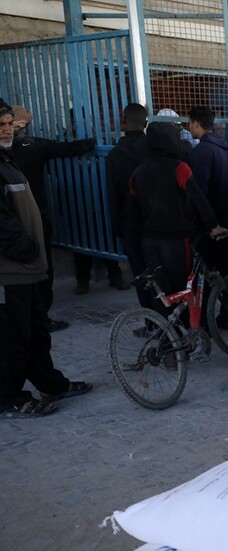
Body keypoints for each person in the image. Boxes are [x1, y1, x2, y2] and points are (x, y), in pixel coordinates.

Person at [1, 98, 92, 417]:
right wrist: (25, 248)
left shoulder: (7, 158)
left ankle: (51, 383)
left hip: (27, 268)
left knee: (36, 333)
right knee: (12, 337)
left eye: (10, 124)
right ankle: (9, 397)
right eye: (2, 125)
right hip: (10, 271)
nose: (8, 130)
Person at [10, 105, 123, 302]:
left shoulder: (35, 145)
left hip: (89, 196)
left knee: (102, 236)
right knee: (77, 241)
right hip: (63, 201)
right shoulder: (38, 144)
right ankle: (80, 281)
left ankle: (112, 275)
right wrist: (91, 143)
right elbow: (66, 150)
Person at [128, 122, 228, 319]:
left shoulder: (137, 172)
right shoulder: (180, 168)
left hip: (149, 241)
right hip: (175, 241)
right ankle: (186, 331)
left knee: (160, 290)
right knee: (182, 288)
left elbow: (132, 212)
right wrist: (213, 225)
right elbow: (197, 198)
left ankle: (162, 333)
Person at [188, 106, 228, 280]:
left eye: (190, 123)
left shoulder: (201, 151)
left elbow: (199, 192)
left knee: (205, 273)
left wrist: (207, 224)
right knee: (226, 267)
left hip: (212, 226)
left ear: (196, 123)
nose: (189, 127)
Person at [107, 102, 149, 309]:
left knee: (140, 274)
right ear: (146, 123)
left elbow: (113, 194)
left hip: (130, 221)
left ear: (123, 122)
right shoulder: (154, 149)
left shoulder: (115, 154)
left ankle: (150, 320)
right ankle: (167, 318)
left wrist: (117, 226)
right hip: (157, 219)